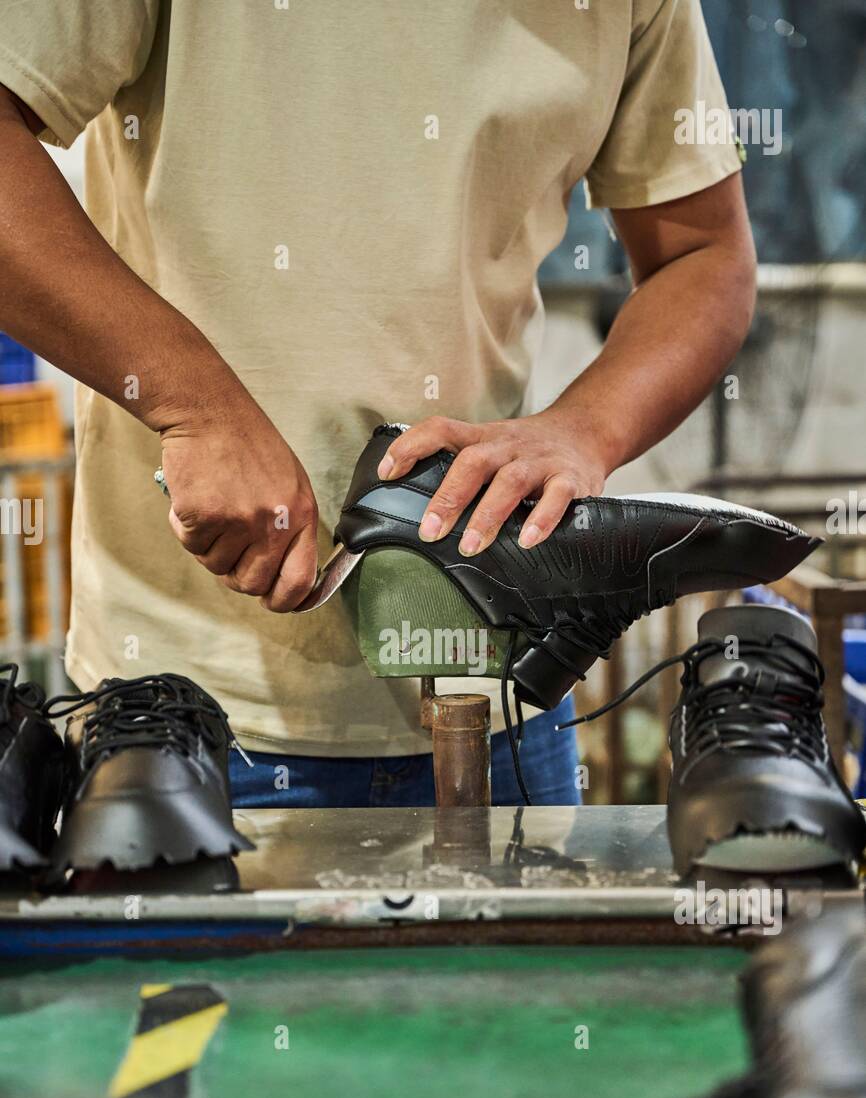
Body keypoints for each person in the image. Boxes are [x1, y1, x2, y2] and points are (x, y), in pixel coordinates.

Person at [0, 1, 754, 808]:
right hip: (183, 721)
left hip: (496, 697)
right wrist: (195, 404)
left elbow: (704, 254)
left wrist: (583, 432)